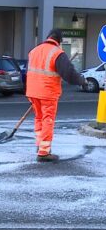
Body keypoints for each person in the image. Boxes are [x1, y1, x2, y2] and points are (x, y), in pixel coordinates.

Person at [25, 28, 87, 162]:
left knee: (39, 118)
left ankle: (40, 145)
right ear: (59, 40)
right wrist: (82, 80)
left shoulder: (34, 51)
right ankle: (44, 153)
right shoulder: (57, 53)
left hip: (32, 91)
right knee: (48, 120)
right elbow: (69, 74)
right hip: (47, 92)